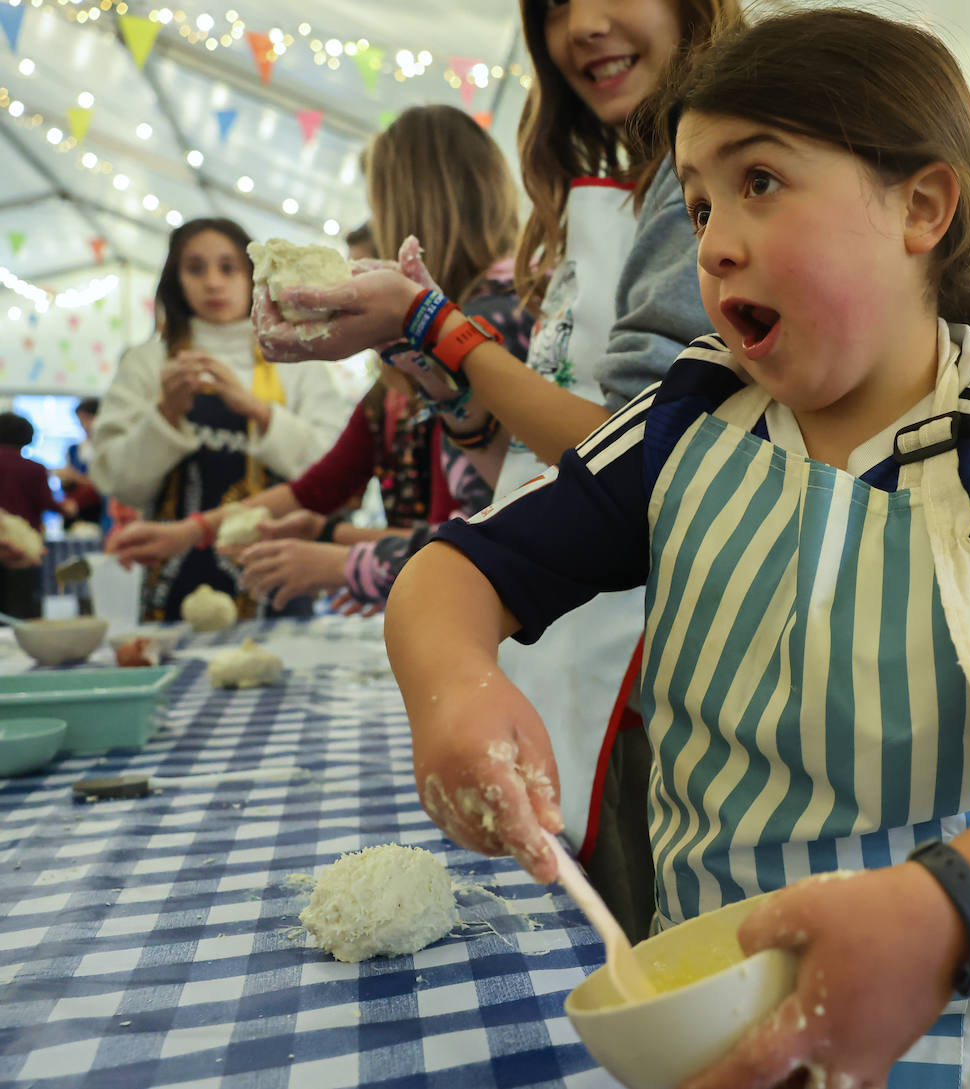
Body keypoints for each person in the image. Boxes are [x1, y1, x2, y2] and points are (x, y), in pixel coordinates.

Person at [381, 9, 970, 1089]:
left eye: (760, 181)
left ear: (921, 205)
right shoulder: (689, 420)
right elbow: (456, 568)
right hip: (707, 1025)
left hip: (952, 1043)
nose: (713, 240)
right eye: (701, 198)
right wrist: (451, 689)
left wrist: (952, 902)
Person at [253, 0, 738, 938]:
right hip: (563, 614)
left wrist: (438, 327)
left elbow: (636, 450)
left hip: (660, 654)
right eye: (554, 6)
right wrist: (430, 358)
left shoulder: (701, 178)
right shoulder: (588, 191)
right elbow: (517, 458)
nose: (583, 25)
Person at [105, 107, 527, 613]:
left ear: (410, 212)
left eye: (378, 208)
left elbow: (494, 536)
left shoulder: (486, 326)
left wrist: (343, 556)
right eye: (196, 269)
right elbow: (322, 486)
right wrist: (200, 528)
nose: (214, 283)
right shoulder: (406, 370)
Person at [88, 218, 352, 622]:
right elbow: (120, 483)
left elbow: (336, 475)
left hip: (278, 573)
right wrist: (165, 416)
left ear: (253, 276)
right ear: (175, 280)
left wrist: (257, 410)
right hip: (173, 581)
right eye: (196, 268)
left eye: (228, 268)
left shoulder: (297, 358)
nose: (213, 282)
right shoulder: (146, 364)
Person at [0, 411, 74, 618]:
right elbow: (46, 502)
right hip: (24, 543)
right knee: (20, 601)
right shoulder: (34, 468)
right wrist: (67, 509)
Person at [54, 397, 105, 530]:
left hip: (101, 510)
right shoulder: (74, 449)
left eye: (88, 418)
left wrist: (78, 477)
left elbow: (109, 485)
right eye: (81, 420)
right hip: (80, 509)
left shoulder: (109, 448)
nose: (84, 425)